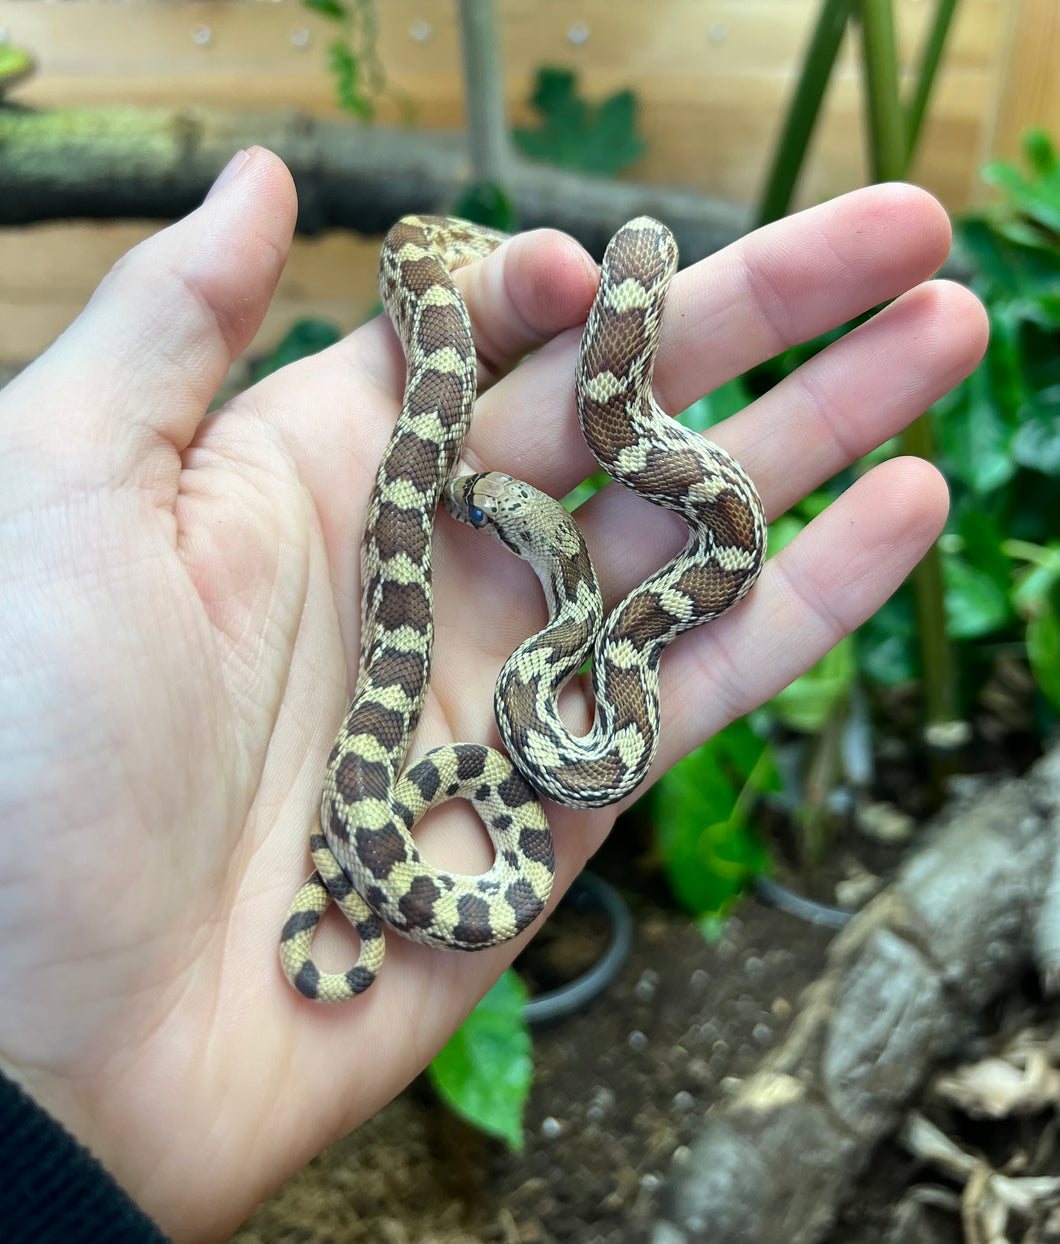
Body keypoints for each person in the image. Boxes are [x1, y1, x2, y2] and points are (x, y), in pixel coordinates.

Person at [0, 147, 985, 1242]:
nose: (466, 500)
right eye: (475, 503)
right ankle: (366, 851)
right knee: (512, 269)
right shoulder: (573, 632)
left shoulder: (593, 641)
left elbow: (628, 304)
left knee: (578, 270)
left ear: (536, 553)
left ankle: (367, 849)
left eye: (483, 509)